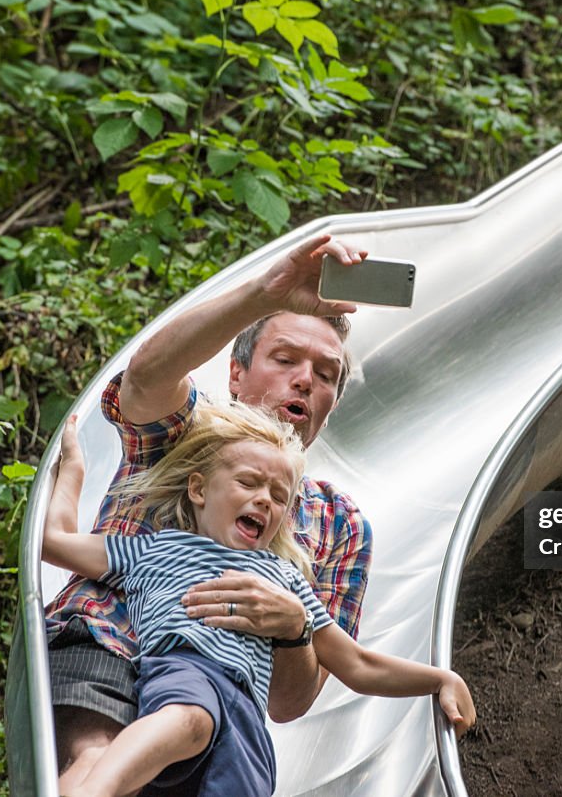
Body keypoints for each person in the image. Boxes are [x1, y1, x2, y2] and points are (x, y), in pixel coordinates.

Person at [43, 236, 375, 775]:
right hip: (109, 644)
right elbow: (147, 376)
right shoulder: (188, 436)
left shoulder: (339, 524)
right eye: (285, 358)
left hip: (212, 697)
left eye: (326, 375)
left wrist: (294, 629)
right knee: (96, 751)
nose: (304, 380)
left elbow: (289, 704)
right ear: (236, 374)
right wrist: (262, 296)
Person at [45, 408, 475, 797]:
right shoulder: (152, 549)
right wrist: (73, 471)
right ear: (198, 489)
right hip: (186, 670)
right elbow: (56, 543)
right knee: (191, 718)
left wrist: (438, 679)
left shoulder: (286, 581)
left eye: (278, 495)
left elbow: (357, 664)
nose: (264, 499)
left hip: (249, 718)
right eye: (248, 482)